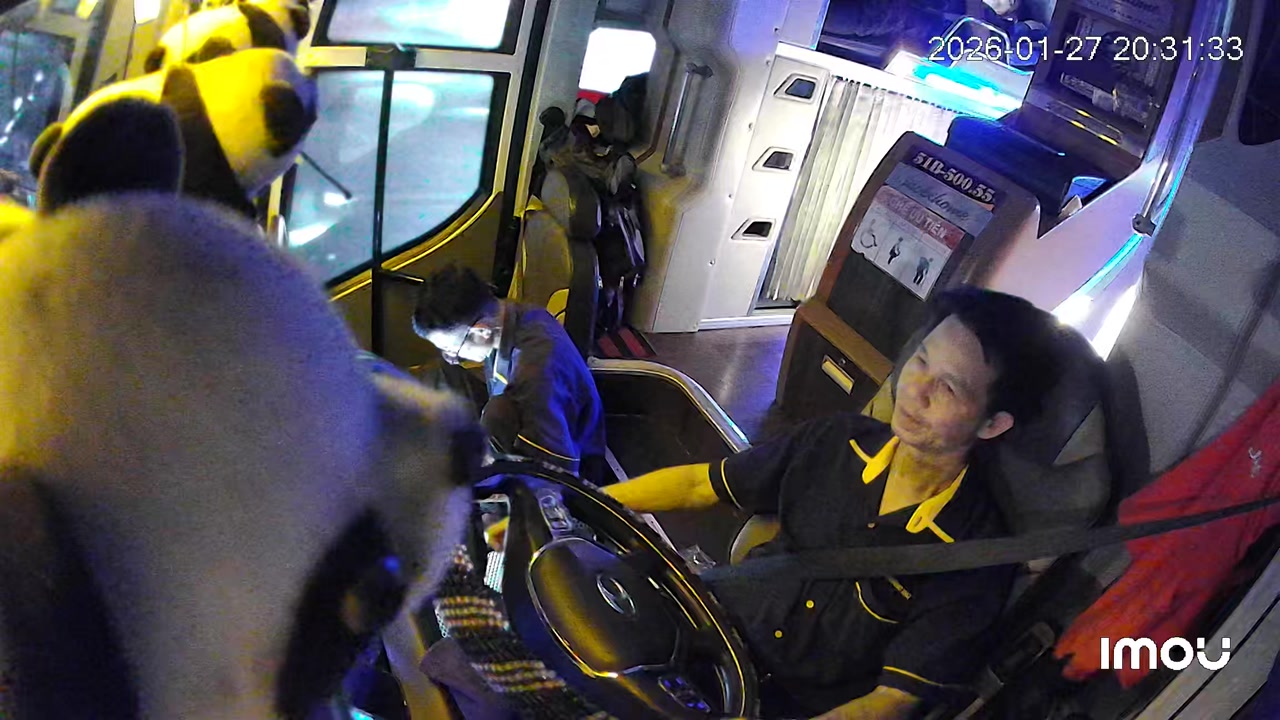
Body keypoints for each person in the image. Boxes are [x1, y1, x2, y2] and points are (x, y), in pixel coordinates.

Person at [598, 287, 1064, 719]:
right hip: (710, 628)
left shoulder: (973, 556)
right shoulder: (837, 440)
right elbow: (699, 485)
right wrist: (583, 500)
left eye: (947, 388)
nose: (914, 389)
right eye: (920, 360)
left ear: (992, 424)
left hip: (775, 705)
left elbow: (892, 700)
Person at [413, 263, 607, 482]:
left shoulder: (535, 375)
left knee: (494, 415)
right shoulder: (513, 315)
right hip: (525, 419)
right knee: (443, 375)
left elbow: (557, 478)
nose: (452, 357)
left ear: (481, 332)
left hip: (568, 470)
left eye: (453, 350)